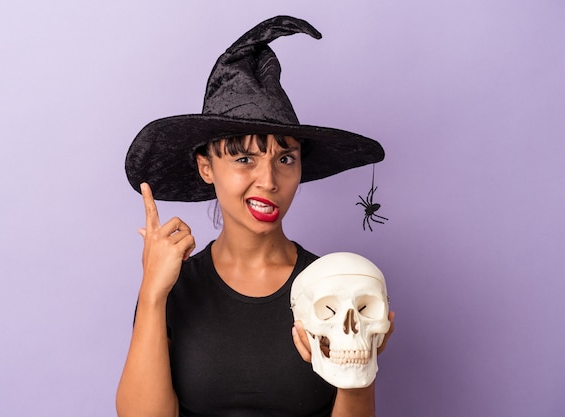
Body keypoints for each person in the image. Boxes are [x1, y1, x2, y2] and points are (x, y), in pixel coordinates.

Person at [116, 16, 394, 417]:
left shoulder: (337, 288)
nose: (268, 180)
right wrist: (152, 293)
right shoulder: (174, 286)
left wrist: (359, 370)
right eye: (244, 158)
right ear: (206, 167)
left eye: (285, 158)